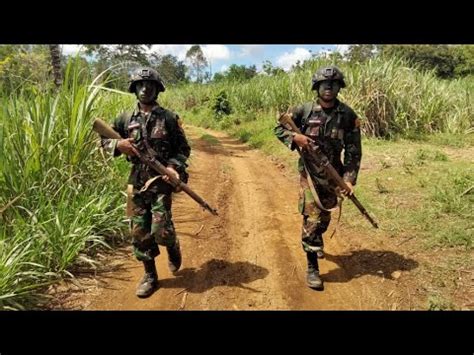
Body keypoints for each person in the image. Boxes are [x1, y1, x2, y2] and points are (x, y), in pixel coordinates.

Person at [101, 67, 191, 298]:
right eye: (140, 85)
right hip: (135, 182)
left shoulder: (169, 118)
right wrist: (117, 146)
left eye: (149, 85)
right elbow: (104, 140)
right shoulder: (124, 118)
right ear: (134, 89)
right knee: (138, 231)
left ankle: (172, 245)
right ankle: (150, 275)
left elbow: (183, 150)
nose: (144, 89)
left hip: (160, 182)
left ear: (157, 89)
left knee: (161, 229)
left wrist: (173, 167)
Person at [274, 66, 362, 290]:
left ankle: (317, 240)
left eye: (333, 85)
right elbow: (279, 129)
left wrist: (349, 180)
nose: (329, 89)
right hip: (310, 175)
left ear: (339, 88)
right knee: (312, 220)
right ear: (317, 87)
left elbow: (354, 152)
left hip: (334, 176)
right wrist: (296, 137)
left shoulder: (348, 116)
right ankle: (312, 266)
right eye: (324, 84)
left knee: (325, 217)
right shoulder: (303, 111)